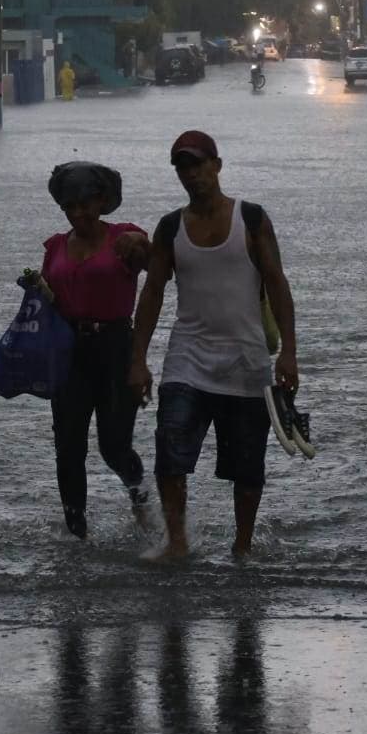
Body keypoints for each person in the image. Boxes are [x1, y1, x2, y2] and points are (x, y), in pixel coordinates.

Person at [129, 130, 298, 559]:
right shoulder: (170, 228)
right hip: (188, 359)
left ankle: (241, 547)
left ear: (217, 166)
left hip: (246, 362)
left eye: (199, 164)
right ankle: (178, 542)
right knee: (169, 450)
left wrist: (290, 353)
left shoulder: (252, 219)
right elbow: (152, 294)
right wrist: (138, 359)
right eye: (183, 167)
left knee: (247, 468)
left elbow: (277, 284)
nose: (192, 174)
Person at [39, 161, 153, 539]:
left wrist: (143, 246)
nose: (77, 213)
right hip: (69, 351)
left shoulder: (124, 237)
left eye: (85, 204)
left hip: (115, 348)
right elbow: (49, 302)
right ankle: (76, 531)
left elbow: (156, 266)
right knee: (68, 446)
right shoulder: (55, 246)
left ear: (103, 201)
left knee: (113, 445)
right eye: (69, 206)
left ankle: (140, 497)